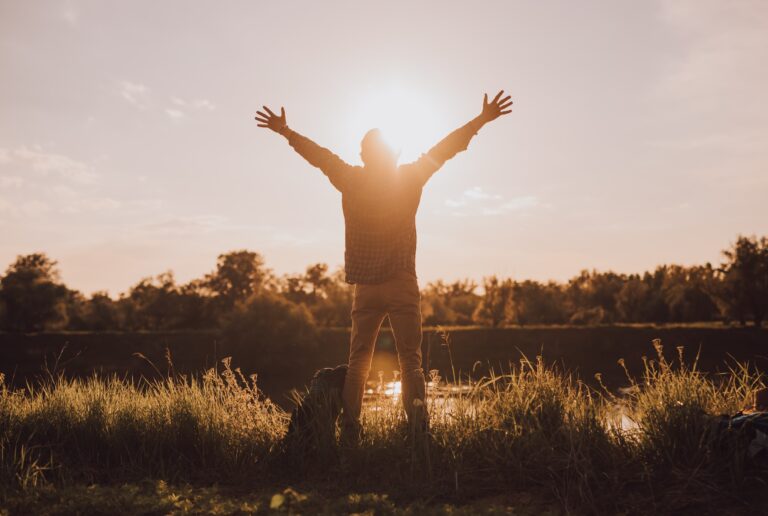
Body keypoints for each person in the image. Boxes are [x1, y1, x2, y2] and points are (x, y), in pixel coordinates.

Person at [254, 90, 513, 442]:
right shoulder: (410, 176)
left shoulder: (351, 178)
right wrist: (482, 119)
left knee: (358, 361)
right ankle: (418, 434)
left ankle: (350, 433)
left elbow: (319, 157)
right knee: (411, 361)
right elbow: (447, 147)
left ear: (362, 155)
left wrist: (286, 132)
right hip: (401, 281)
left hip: (365, 286)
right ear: (397, 152)